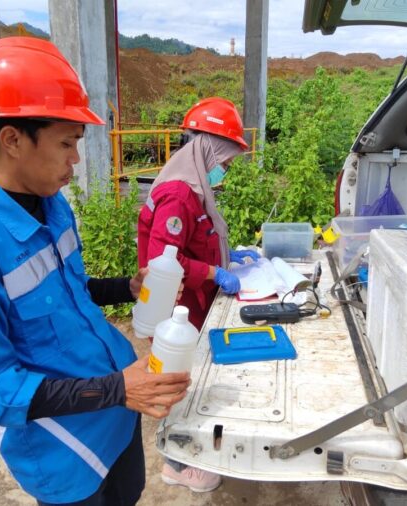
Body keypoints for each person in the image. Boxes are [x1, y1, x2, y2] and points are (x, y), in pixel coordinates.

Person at [0, 37, 190, 506]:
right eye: (66, 143)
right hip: (64, 448)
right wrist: (118, 387)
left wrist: (126, 287)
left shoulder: (51, 207)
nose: (75, 160)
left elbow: (67, 294)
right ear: (12, 139)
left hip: (116, 418)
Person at [137, 97, 260, 492]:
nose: (224, 169)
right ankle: (176, 463)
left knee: (188, 377)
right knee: (172, 380)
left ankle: (187, 448)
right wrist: (214, 271)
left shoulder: (195, 189)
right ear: (207, 149)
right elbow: (162, 260)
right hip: (174, 306)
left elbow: (197, 240)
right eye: (225, 160)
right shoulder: (179, 194)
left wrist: (227, 254)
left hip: (191, 304)